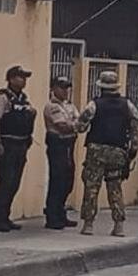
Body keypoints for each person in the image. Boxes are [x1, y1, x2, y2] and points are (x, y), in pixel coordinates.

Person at [76, 71, 138, 237]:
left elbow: (80, 126)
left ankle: (88, 224)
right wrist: (132, 150)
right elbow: (136, 127)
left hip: (96, 150)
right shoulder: (128, 105)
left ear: (101, 87)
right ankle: (119, 225)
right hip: (118, 151)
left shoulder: (94, 105)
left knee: (91, 186)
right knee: (115, 187)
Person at [0, 65, 36, 233]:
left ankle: (5, 217)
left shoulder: (23, 98)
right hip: (7, 144)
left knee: (15, 183)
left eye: (24, 78)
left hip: (21, 144)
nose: (23, 80)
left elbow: (29, 115)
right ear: (10, 79)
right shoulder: (2, 97)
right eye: (20, 77)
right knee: (6, 181)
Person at [43, 76, 79, 230]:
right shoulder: (52, 106)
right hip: (57, 144)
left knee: (68, 181)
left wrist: (76, 125)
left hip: (69, 144)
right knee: (57, 180)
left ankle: (61, 212)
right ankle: (52, 216)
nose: (65, 91)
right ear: (54, 88)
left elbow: (82, 123)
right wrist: (76, 124)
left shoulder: (69, 106)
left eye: (67, 88)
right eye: (62, 87)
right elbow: (62, 126)